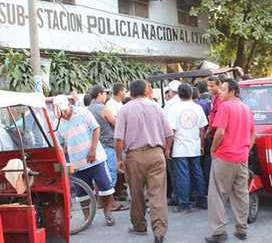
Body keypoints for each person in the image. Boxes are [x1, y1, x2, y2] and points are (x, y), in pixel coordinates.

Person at [114, 80, 173, 243]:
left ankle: (139, 225)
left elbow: (118, 139)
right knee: (158, 194)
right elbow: (169, 135)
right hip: (156, 154)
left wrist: (119, 159)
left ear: (131, 93)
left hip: (135, 156)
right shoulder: (156, 107)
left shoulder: (125, 110)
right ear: (147, 91)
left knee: (136, 192)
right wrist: (166, 150)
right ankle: (159, 231)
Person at [52, 95, 115, 226]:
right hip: (77, 163)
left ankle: (108, 213)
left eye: (64, 111)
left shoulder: (83, 112)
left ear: (69, 104)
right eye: (60, 112)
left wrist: (92, 150)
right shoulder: (57, 121)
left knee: (105, 188)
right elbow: (61, 143)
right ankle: (87, 218)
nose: (63, 114)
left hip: (95, 159)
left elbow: (96, 129)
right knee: (82, 194)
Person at [205, 79, 256, 243]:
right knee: (241, 194)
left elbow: (219, 132)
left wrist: (213, 150)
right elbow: (253, 135)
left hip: (225, 156)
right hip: (241, 157)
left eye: (224, 89)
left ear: (232, 91)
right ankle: (242, 229)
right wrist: (245, 151)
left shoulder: (225, 107)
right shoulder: (246, 108)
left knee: (217, 195)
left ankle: (219, 232)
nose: (220, 92)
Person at [167, 83, 208, 213]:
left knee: (182, 175)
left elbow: (171, 131)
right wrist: (201, 144)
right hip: (195, 146)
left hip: (180, 148)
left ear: (178, 94)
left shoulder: (174, 108)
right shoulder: (198, 108)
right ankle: (201, 200)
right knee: (197, 173)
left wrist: (168, 148)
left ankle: (184, 203)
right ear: (191, 93)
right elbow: (202, 129)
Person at [88, 85, 128, 211]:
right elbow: (116, 124)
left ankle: (101, 201)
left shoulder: (88, 109)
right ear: (100, 94)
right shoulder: (103, 108)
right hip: (108, 144)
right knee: (111, 174)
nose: (106, 96)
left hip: (97, 145)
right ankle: (110, 203)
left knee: (101, 175)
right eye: (105, 93)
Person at [203, 76, 222, 185]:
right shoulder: (213, 97)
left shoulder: (219, 99)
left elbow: (217, 121)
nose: (209, 88)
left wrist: (207, 133)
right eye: (208, 86)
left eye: (212, 86)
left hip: (215, 134)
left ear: (218, 85)